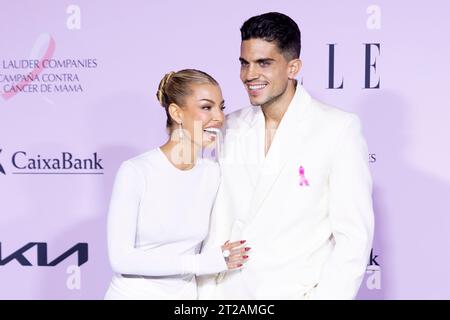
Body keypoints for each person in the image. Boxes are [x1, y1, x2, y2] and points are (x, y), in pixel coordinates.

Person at [197, 12, 374, 300]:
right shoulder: (228, 126)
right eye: (245, 63)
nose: (249, 75)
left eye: (264, 63)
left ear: (293, 67)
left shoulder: (337, 128)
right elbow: (217, 223)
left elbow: (354, 237)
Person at [104, 69, 250, 300]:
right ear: (176, 113)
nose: (219, 117)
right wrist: (202, 263)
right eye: (206, 107)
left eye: (221, 107)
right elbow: (121, 259)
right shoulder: (136, 171)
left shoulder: (212, 173)